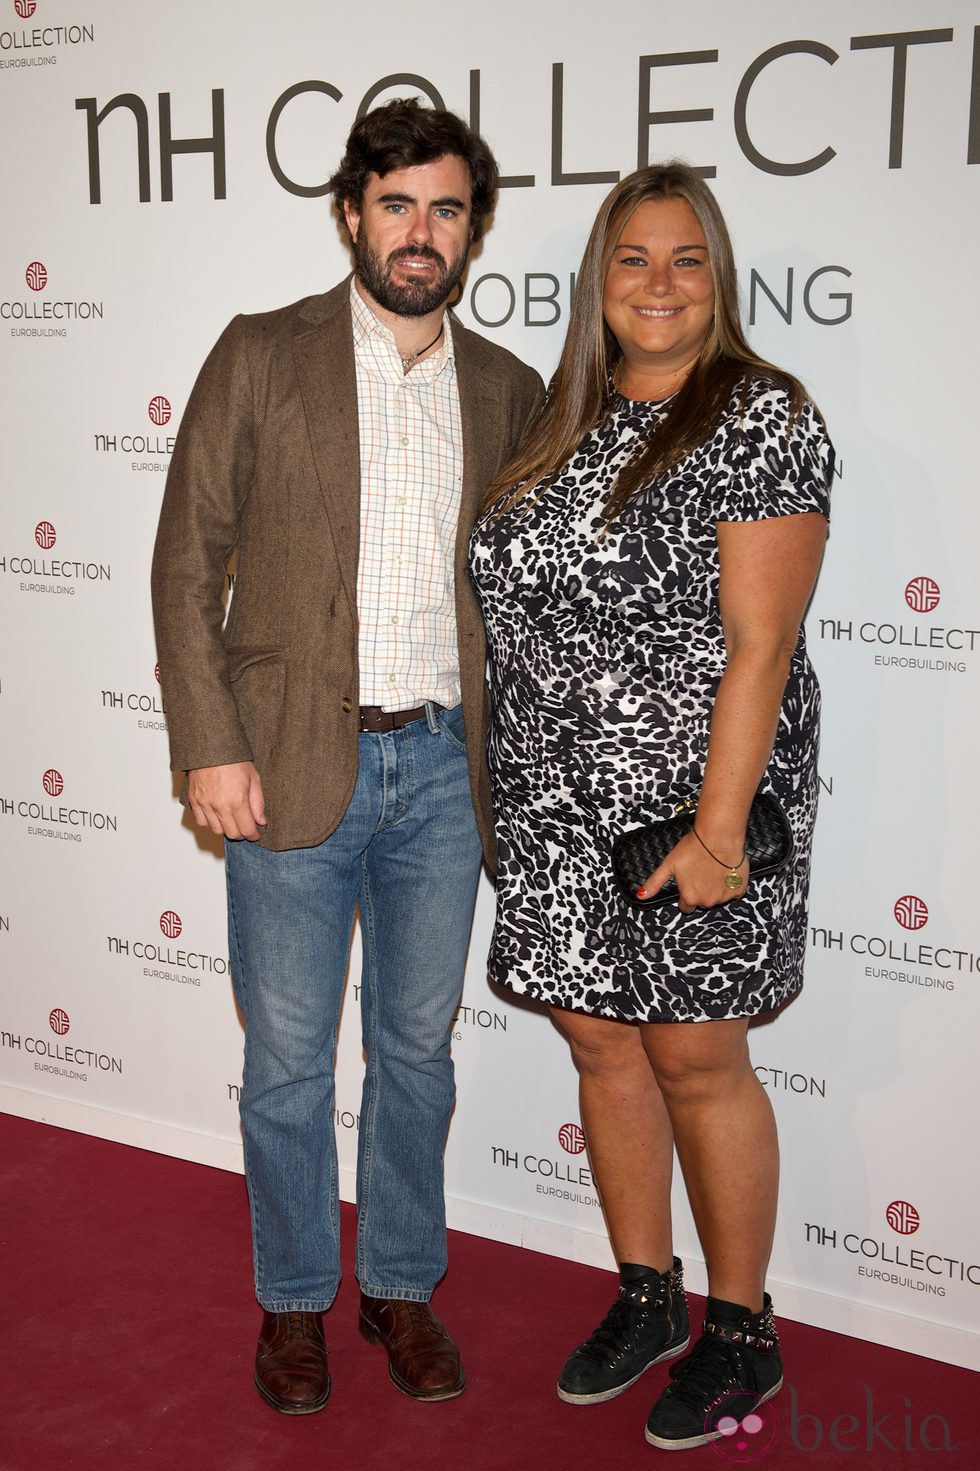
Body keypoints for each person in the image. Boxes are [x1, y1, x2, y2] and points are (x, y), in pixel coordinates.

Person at [151, 98, 543, 1417]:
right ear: (351, 215)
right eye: (396, 205)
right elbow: (186, 559)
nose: (419, 233)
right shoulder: (263, 355)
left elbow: (534, 598)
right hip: (286, 767)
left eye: (444, 208)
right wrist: (210, 742)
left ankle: (402, 1285)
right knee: (288, 1063)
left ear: (470, 227)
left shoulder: (508, 388)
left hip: (443, 769)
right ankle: (294, 1302)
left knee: (419, 1056)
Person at [469, 162, 832, 1450]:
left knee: (696, 1058)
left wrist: (721, 834)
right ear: (599, 279)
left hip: (693, 814)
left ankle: (742, 1330)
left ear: (718, 277)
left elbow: (761, 644)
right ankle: (645, 1293)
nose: (660, 284)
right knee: (604, 1052)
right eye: (633, 258)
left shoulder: (760, 418)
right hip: (556, 808)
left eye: (686, 260)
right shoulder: (557, 422)